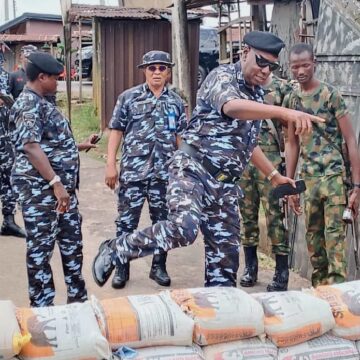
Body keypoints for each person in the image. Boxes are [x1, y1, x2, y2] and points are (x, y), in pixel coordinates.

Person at [92, 31, 324, 289]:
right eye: (261, 62)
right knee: (184, 227)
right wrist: (284, 112)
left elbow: (247, 144)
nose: (265, 71)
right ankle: (117, 248)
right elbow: (231, 107)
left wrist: (273, 175)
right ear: (245, 52)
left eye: (271, 66)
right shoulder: (222, 77)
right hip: (193, 171)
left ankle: (218, 315)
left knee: (224, 263)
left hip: (224, 186)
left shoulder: (256, 93)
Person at [9, 51, 98, 307]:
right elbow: (30, 147)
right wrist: (56, 183)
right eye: (55, 78)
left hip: (63, 195)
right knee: (41, 253)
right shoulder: (27, 104)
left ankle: (77, 302)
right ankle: (43, 311)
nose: (58, 82)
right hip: (42, 195)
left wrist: (78, 146)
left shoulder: (44, 102)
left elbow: (50, 144)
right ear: (42, 77)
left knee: (72, 246)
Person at [105, 50, 187, 289]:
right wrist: (111, 164)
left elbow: (180, 138)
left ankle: (158, 267)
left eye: (162, 68)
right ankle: (121, 266)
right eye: (152, 68)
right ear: (145, 71)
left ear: (169, 71)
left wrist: (182, 170)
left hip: (164, 174)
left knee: (163, 222)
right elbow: (116, 131)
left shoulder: (176, 102)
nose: (157, 72)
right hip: (133, 173)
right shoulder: (128, 98)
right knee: (126, 222)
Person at [285, 43, 360, 287]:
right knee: (314, 243)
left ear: (314, 62)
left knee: (335, 240)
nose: (301, 71)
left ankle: (338, 297)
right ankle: (321, 294)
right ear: (290, 68)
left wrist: (356, 186)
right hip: (309, 180)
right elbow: (292, 143)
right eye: (295, 67)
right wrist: (290, 185)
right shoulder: (292, 99)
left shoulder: (331, 95)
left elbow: (350, 139)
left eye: (305, 65)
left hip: (333, 177)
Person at [238, 74, 297, 291]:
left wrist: (287, 172)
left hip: (271, 158)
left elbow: (290, 134)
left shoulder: (281, 88)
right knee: (247, 213)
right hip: (244, 158)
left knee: (275, 215)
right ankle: (250, 266)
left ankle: (281, 272)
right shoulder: (239, 85)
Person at [0, 53, 26, 237]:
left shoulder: (4, 75)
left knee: (8, 175)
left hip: (4, 135)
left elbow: (7, 101)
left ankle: (8, 221)